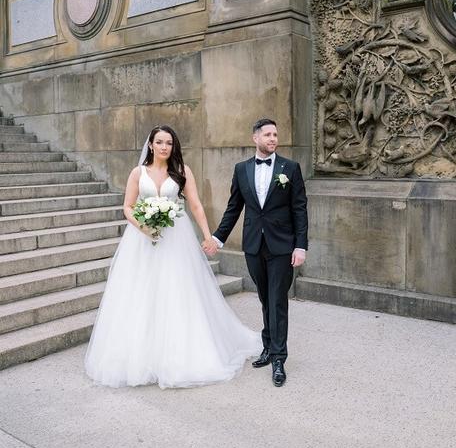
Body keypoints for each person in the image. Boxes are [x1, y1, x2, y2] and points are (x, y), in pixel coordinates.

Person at [85, 125, 261, 389]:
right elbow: (127, 206)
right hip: (141, 241)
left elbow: (196, 205)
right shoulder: (138, 173)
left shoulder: (182, 171)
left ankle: (179, 355)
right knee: (140, 293)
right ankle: (140, 357)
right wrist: (142, 226)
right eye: (159, 142)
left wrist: (208, 236)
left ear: (173, 146)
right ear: (151, 145)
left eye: (169, 142)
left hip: (175, 239)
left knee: (177, 291)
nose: (164, 147)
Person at [207, 119, 308, 387]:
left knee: (278, 300)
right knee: (265, 298)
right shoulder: (241, 170)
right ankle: (267, 346)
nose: (273, 138)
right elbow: (234, 208)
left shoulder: (290, 168)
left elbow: (300, 209)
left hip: (282, 245)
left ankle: (278, 358)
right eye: (267, 134)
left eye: (275, 134)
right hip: (253, 245)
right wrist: (218, 238)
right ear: (255, 138)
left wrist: (301, 246)